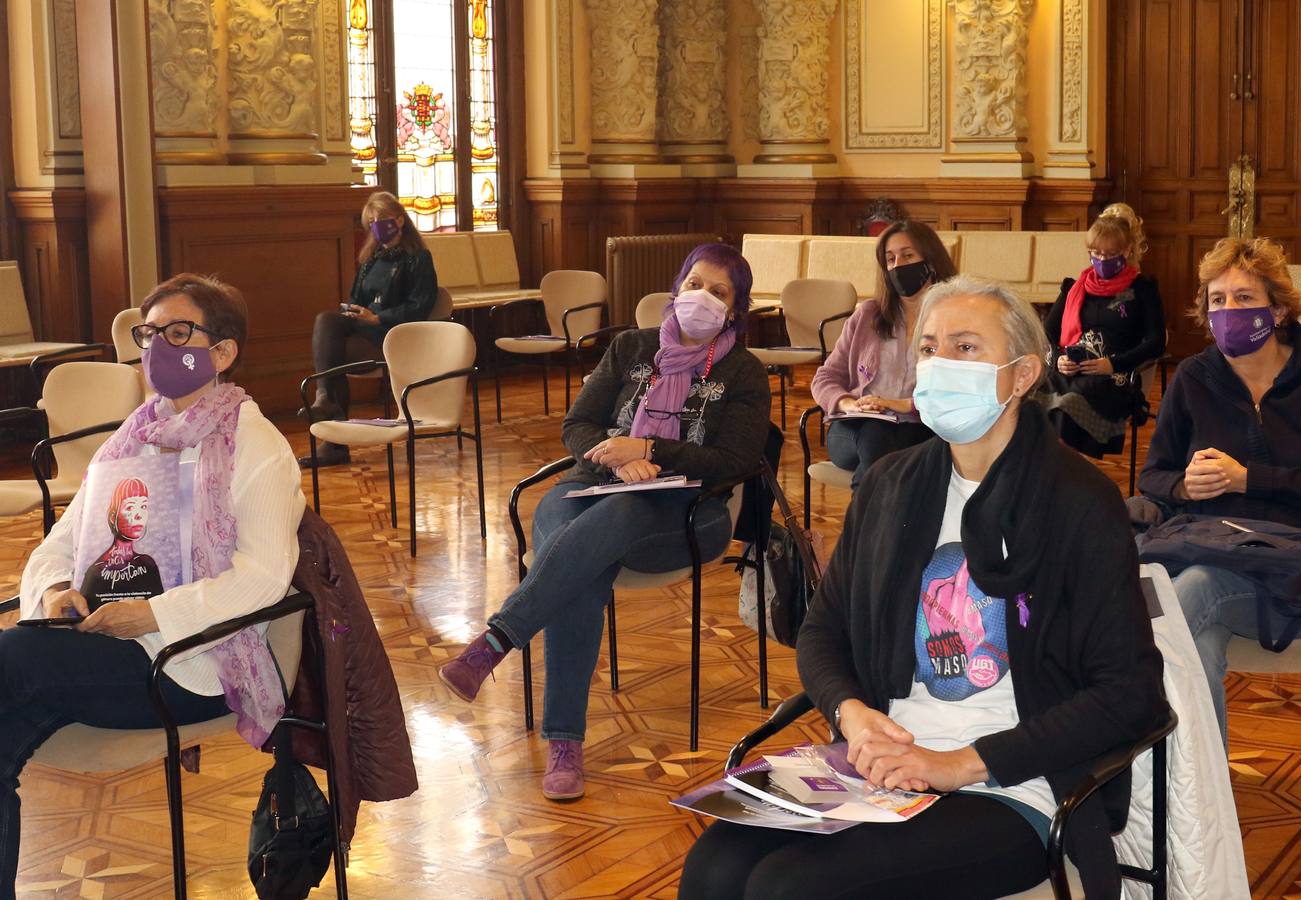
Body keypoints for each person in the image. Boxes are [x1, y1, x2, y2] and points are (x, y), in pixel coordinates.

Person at [679, 276, 1170, 900]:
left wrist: (954, 765)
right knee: (713, 869)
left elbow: (1127, 695)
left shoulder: (1079, 501)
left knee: (790, 887)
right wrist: (851, 716)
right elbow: (823, 632)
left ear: (1021, 375)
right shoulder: (889, 485)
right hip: (878, 766)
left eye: (966, 348)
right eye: (931, 348)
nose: (940, 364)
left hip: (1012, 784)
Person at [438, 244, 771, 801]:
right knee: (582, 567)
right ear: (675, 287)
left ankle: (497, 643)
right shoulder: (632, 347)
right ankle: (563, 744)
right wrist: (614, 453)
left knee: (617, 517)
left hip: (690, 515)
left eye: (719, 292)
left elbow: (734, 461)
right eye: (695, 283)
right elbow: (578, 424)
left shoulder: (743, 371)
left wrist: (652, 450)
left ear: (735, 310)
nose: (702, 298)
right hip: (590, 487)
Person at [5, 274, 305, 891]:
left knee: (9, 657)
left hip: (193, 661)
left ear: (222, 352)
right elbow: (58, 544)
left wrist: (153, 614)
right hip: (100, 646)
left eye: (177, 333)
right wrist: (59, 587)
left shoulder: (256, 446)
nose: (156, 349)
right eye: (148, 333)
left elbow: (264, 580)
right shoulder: (128, 441)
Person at [1138, 238, 1301, 742]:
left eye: (1243, 298)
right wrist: (1185, 485)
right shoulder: (1193, 378)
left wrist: (1247, 478)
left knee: (1185, 596)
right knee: (1194, 644)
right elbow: (1152, 477)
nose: (1227, 311)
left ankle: (1155, 779)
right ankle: (1200, 798)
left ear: (1278, 309)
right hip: (1213, 550)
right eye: (1216, 300)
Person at [810, 220, 956, 487]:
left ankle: (865, 521)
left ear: (931, 260)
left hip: (919, 427)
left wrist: (899, 404)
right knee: (876, 434)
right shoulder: (868, 315)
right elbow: (825, 378)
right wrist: (848, 403)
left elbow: (956, 392)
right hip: (854, 429)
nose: (898, 265)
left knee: (889, 450)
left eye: (908, 255)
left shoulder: (954, 320)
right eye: (890, 259)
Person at [302, 190, 440, 467]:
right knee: (327, 321)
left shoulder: (418, 258)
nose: (375, 226)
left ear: (399, 220)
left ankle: (333, 434)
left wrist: (377, 317)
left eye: (380, 219)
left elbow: (420, 305)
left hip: (395, 334)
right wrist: (354, 311)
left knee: (333, 356)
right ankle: (326, 400)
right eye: (371, 222)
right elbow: (355, 298)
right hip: (364, 328)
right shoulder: (372, 259)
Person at [1044, 203, 1165, 457]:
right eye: (1094, 253)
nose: (1101, 260)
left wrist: (1113, 364)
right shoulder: (1075, 287)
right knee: (1031, 400)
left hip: (1112, 377)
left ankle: (1065, 479)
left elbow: (1156, 342)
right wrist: (1059, 359)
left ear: (1127, 250)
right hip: (1071, 371)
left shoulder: (1142, 290)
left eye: (1109, 255)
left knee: (1066, 406)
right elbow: (1047, 333)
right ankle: (1048, 477)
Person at [79, 478, 166, 607]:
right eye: (130, 507)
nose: (139, 515)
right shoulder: (96, 572)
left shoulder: (148, 565)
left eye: (143, 506)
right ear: (113, 516)